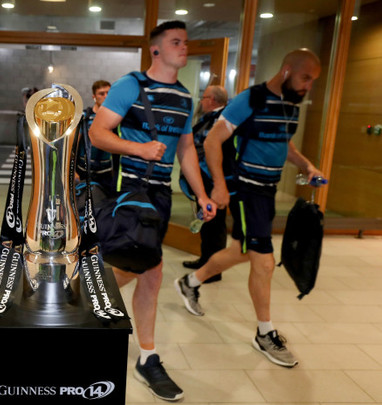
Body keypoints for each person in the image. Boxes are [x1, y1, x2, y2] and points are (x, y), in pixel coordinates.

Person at [89, 21, 216, 402]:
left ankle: (90, 303)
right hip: (127, 186)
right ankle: (140, 349)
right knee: (150, 268)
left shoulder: (184, 96)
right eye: (176, 42)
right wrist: (139, 149)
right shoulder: (130, 84)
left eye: (186, 42)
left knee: (147, 270)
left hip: (159, 193)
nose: (184, 48)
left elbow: (186, 150)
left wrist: (201, 194)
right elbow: (99, 133)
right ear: (156, 50)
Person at [175, 48, 323, 368]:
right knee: (264, 262)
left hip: (267, 191)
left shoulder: (290, 105)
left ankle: (190, 283)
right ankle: (264, 333)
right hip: (246, 189)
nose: (308, 86)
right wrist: (219, 184)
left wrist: (308, 166)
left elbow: (286, 145)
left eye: (313, 81)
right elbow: (214, 140)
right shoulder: (250, 99)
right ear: (286, 71)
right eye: (305, 78)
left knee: (241, 251)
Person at [180, 85, 229, 284]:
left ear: (214, 100)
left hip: (215, 178)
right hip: (203, 177)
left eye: (204, 97)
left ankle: (213, 270)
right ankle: (205, 261)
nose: (201, 100)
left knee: (215, 225)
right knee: (206, 223)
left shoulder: (224, 120)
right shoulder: (206, 118)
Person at [76, 80, 115, 192]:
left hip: (107, 174)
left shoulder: (116, 118)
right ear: (94, 96)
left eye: (108, 93)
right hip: (84, 172)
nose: (105, 96)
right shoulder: (84, 117)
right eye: (101, 94)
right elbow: (73, 145)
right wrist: (72, 171)